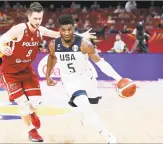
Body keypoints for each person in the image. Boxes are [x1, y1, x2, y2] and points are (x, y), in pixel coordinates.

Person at [0, 2, 96, 142]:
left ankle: (32, 112)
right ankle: (32, 131)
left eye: (40, 18)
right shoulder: (19, 29)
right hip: (10, 72)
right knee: (22, 104)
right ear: (29, 17)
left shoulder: (40, 30)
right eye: (35, 18)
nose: (38, 21)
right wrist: (1, 47)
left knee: (36, 103)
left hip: (26, 70)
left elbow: (58, 34)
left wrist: (81, 35)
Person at [46, 14, 124, 143]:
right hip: (70, 80)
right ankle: (107, 136)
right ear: (59, 30)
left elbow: (100, 63)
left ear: (73, 28)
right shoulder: (54, 44)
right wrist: (48, 75)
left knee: (93, 102)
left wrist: (119, 78)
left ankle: (84, 112)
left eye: (69, 29)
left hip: (86, 77)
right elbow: (52, 57)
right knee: (86, 108)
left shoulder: (84, 44)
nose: (66, 32)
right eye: (63, 30)